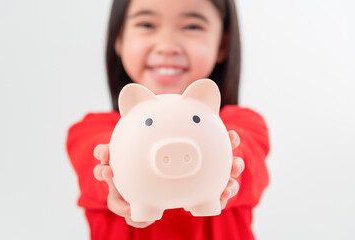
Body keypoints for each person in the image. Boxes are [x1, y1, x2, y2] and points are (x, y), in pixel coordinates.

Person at [66, 0, 270, 239]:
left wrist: (226, 160)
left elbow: (247, 162)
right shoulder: (90, 131)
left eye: (192, 26)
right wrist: (115, 180)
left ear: (223, 43)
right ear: (119, 38)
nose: (167, 46)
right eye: (146, 24)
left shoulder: (245, 124)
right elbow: (94, 168)